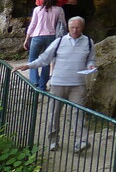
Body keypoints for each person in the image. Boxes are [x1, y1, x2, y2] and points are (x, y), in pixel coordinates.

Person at [16, 17, 97, 152]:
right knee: (54, 112)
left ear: (82, 27)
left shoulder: (88, 42)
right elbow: (44, 59)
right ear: (68, 28)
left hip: (78, 84)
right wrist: (28, 65)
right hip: (58, 83)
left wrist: (91, 66)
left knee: (78, 113)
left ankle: (81, 141)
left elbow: (91, 59)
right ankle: (53, 140)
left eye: (78, 27)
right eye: (72, 28)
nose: (75, 30)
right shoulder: (59, 42)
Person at [22, 0, 66, 91]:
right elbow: (63, 24)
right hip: (51, 36)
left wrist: (26, 39)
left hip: (37, 36)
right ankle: (42, 86)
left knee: (32, 58)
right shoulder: (59, 10)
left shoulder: (38, 9)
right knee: (46, 61)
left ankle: (34, 82)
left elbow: (32, 25)